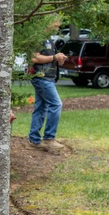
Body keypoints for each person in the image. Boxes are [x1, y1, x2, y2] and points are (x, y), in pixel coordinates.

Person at [29, 24, 68, 152]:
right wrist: (53, 57)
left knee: (41, 107)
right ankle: (49, 138)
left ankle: (34, 140)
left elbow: (49, 58)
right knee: (56, 104)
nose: (57, 29)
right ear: (48, 22)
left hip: (47, 77)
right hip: (41, 77)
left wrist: (58, 59)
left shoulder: (49, 39)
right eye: (55, 25)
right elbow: (33, 57)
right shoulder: (38, 38)